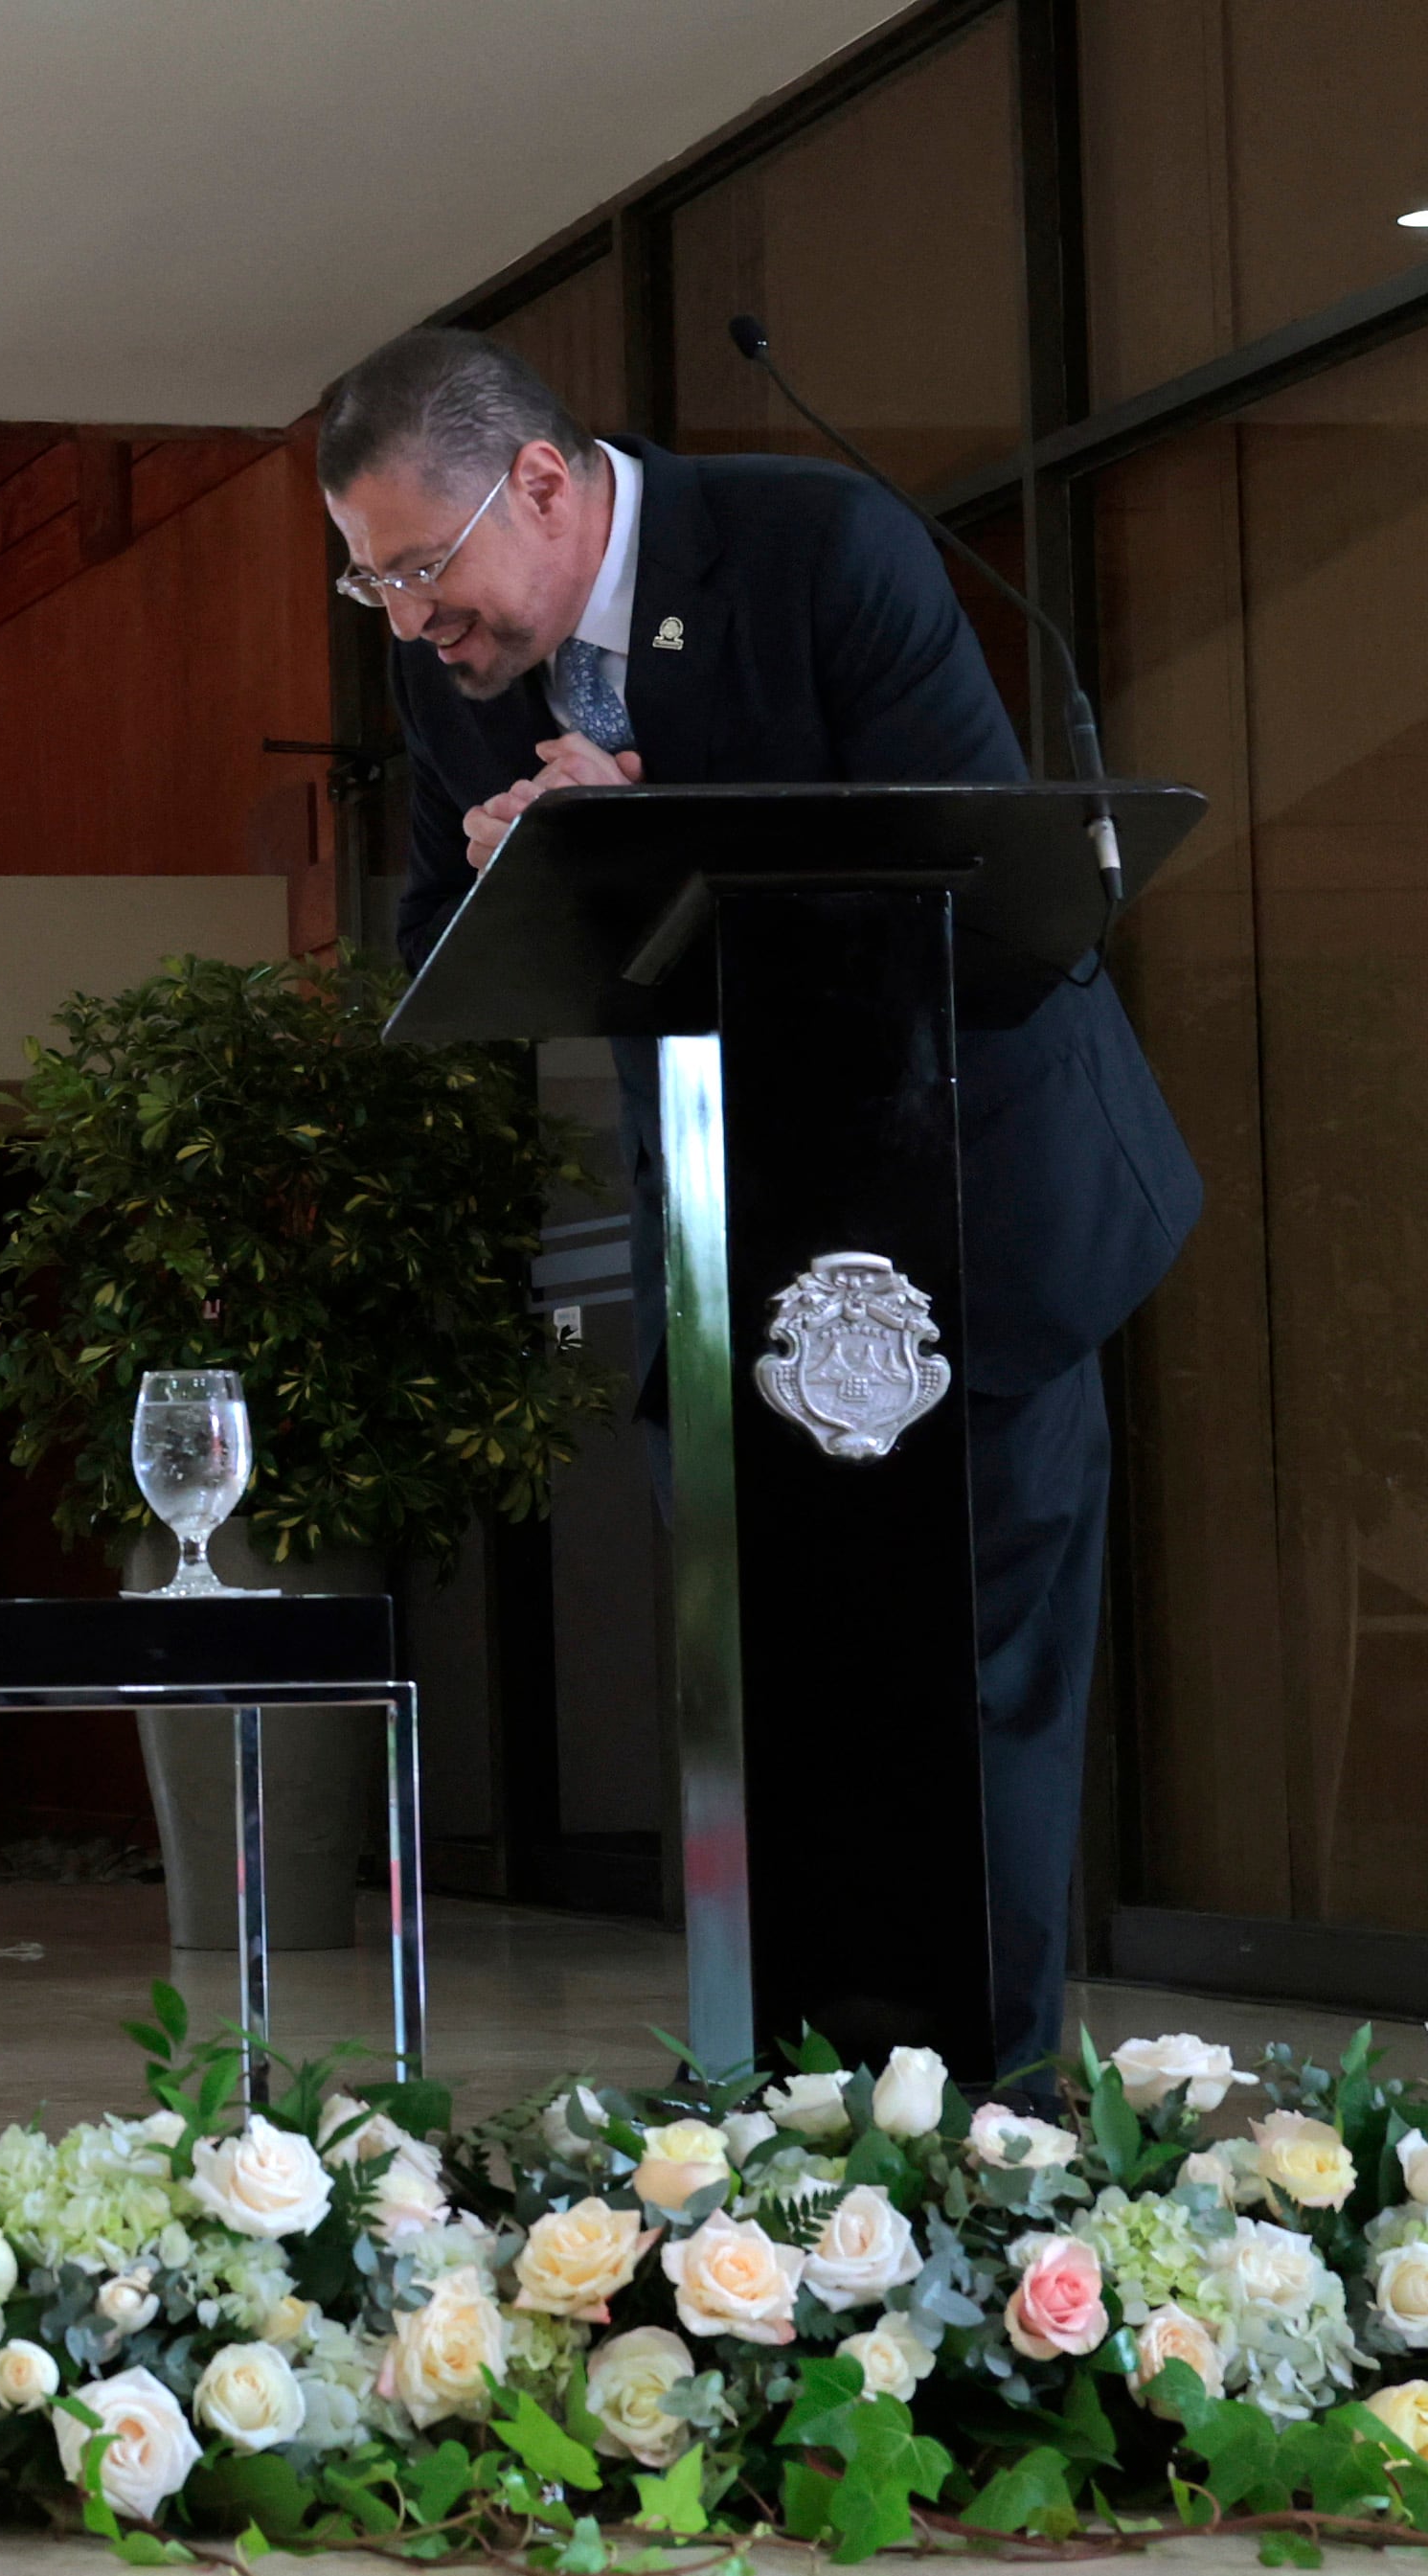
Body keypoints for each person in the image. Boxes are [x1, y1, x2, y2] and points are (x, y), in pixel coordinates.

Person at [312, 329, 1198, 2077]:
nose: (413, 622)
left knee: (980, 1723)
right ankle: (794, 2147)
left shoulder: (821, 548)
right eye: (372, 587)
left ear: (546, 483)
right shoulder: (456, 679)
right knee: (777, 1726)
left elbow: (968, 880)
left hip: (971, 1226)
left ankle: (995, 2153)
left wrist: (643, 825)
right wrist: (520, 875)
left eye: (422, 568)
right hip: (732, 1254)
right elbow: (429, 951)